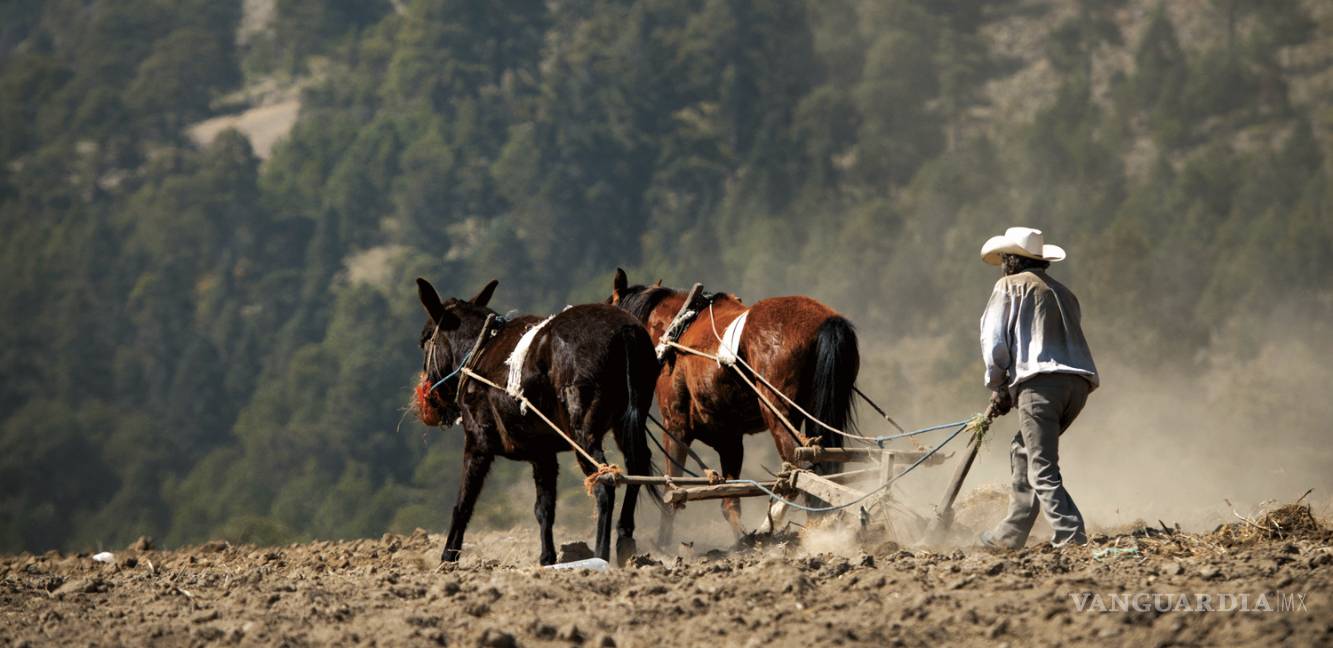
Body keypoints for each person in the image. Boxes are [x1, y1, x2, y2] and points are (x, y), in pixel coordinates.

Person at [976, 227, 1099, 549]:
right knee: (1023, 451)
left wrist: (998, 384)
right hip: (1077, 385)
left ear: (1013, 260)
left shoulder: (1009, 286)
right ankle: (1010, 534)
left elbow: (994, 340)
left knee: (1041, 465)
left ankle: (1071, 534)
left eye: (1005, 259)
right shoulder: (1063, 292)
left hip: (1041, 385)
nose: (1003, 265)